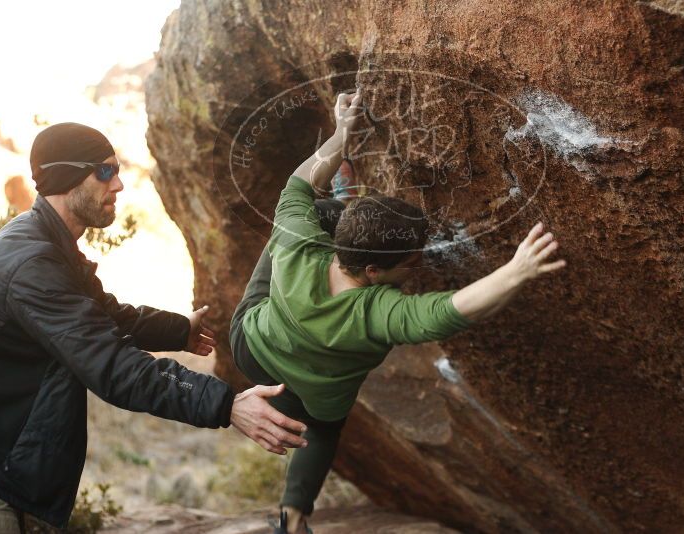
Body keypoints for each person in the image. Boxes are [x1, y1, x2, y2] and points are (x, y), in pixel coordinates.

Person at [230, 91, 567, 534]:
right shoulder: (377, 312)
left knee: (301, 216)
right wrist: (517, 271)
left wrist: (342, 132)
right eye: (410, 262)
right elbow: (450, 310)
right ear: (372, 271)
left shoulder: (302, 242)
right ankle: (293, 516)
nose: (420, 264)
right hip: (314, 392)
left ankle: (346, 209)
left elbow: (298, 184)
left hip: (252, 347)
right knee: (323, 429)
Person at [0, 122, 309, 533]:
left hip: (8, 468)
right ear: (66, 177)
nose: (119, 184)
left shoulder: (46, 246)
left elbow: (107, 315)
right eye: (104, 171)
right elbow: (114, 366)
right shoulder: (33, 264)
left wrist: (179, 330)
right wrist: (226, 404)